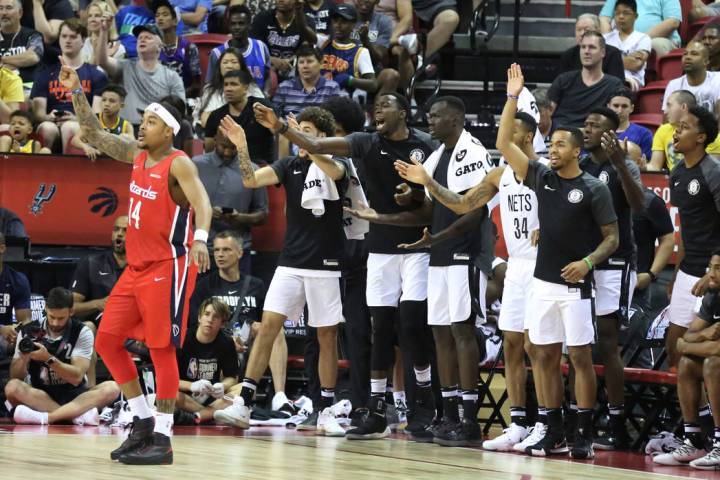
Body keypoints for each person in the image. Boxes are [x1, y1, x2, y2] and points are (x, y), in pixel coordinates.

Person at [253, 92, 439, 439]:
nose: (378, 109)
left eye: (386, 105)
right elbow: (311, 143)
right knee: (377, 327)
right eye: (376, 105)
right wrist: (280, 127)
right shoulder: (363, 142)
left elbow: (434, 201)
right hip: (376, 247)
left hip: (415, 246)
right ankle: (375, 408)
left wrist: (414, 197)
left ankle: (423, 403)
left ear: (404, 112)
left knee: (412, 324)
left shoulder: (426, 145)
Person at [61, 60, 212, 464]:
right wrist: (77, 89)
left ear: (168, 130)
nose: (141, 126)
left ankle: (162, 438)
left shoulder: (178, 162)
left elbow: (203, 202)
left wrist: (200, 238)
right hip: (137, 267)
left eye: (149, 121)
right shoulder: (136, 155)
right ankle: (142, 420)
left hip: (170, 265)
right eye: (141, 120)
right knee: (108, 341)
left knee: (161, 349)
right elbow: (91, 132)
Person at [350, 96, 492, 446]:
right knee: (440, 334)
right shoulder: (437, 154)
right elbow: (430, 207)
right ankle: (445, 414)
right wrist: (410, 196)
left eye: (437, 116)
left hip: (465, 254)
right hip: (440, 255)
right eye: (427, 114)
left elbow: (471, 210)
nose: (429, 120)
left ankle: (469, 419)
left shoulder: (471, 152)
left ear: (456, 118)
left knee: (461, 333)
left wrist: (434, 237)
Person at [505, 63, 620, 459]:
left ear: (576, 151)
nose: (551, 150)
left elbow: (612, 238)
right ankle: (552, 427)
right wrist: (511, 98)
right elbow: (505, 144)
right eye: (549, 144)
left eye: (558, 146)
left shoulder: (592, 188)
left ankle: (582, 432)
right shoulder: (541, 177)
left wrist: (587, 263)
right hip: (542, 283)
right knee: (544, 355)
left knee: (581, 358)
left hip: (576, 285)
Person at [212, 107, 349, 437]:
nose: (301, 134)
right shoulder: (290, 165)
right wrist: (243, 145)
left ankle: (325, 408)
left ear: (323, 136)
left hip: (326, 264)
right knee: (269, 326)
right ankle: (244, 401)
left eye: (308, 130)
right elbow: (250, 179)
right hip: (290, 262)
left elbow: (329, 166)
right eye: (298, 128)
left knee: (326, 336)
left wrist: (288, 132)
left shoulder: (338, 165)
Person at [579, 107, 644, 451]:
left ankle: (617, 423)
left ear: (612, 132)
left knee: (607, 338)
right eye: (585, 123)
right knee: (580, 340)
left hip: (617, 261)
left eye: (594, 125)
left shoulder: (623, 163)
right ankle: (584, 416)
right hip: (586, 261)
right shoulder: (584, 165)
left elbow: (639, 205)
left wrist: (620, 163)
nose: (586, 129)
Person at [320, 96, 372, 420]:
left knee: (357, 330)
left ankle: (362, 399)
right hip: (325, 249)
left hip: (360, 249)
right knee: (322, 331)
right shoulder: (321, 158)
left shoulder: (362, 157)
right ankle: (321, 401)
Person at [5, 287, 121, 426]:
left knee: (112, 388)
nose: (55, 323)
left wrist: (48, 358)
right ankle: (74, 416)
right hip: (40, 395)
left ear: (71, 311)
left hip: (75, 394)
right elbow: (16, 377)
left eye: (61, 318)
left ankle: (47, 418)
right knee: (12, 387)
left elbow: (76, 377)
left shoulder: (82, 332)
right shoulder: (29, 331)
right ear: (46, 309)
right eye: (52, 317)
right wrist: (24, 359)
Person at [653, 251, 720, 469]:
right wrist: (701, 336)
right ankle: (694, 440)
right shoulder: (714, 295)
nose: (711, 274)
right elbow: (691, 333)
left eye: (717, 268)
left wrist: (690, 343)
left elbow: (715, 347)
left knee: (713, 364)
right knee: (687, 364)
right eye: (710, 267)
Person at [665, 105, 720, 369]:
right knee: (673, 346)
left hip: (713, 273)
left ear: (701, 138)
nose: (676, 131)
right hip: (688, 270)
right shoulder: (676, 173)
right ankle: (684, 410)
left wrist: (713, 271)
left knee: (701, 350)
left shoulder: (713, 171)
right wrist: (676, 273)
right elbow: (686, 228)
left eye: (685, 127)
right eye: (678, 126)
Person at [193, 132, 268, 272]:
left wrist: (239, 217)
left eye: (233, 148)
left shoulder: (252, 171)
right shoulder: (195, 165)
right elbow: (179, 211)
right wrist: (205, 213)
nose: (227, 152)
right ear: (215, 141)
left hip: (238, 252)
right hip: (201, 247)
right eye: (224, 146)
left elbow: (262, 215)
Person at [31, 19, 108, 153]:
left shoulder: (96, 74)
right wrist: (49, 117)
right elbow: (38, 113)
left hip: (82, 125)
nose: (68, 40)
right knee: (47, 128)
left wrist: (76, 118)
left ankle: (70, 171)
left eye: (73, 37)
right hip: (51, 122)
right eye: (64, 36)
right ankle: (41, 170)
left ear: (83, 40)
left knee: (70, 127)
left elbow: (97, 113)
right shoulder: (45, 73)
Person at [95, 21, 186, 130]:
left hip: (155, 131)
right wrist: (104, 31)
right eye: (139, 38)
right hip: (126, 130)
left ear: (160, 46)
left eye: (148, 37)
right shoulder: (124, 66)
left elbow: (179, 109)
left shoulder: (172, 77)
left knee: (184, 126)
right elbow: (101, 60)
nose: (142, 40)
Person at [175, 297, 239, 424]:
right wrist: (192, 386)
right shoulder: (182, 340)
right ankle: (212, 416)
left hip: (212, 397)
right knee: (170, 394)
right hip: (186, 397)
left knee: (244, 389)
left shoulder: (226, 342)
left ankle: (198, 417)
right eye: (207, 314)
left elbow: (232, 377)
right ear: (199, 317)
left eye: (215, 317)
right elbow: (167, 381)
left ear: (223, 324)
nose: (209, 320)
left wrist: (222, 386)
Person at [549, 30, 624, 129]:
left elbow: (616, 119)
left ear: (603, 52)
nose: (586, 51)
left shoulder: (614, 85)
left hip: (593, 137)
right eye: (583, 47)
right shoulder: (563, 79)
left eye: (592, 47)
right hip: (560, 134)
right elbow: (547, 111)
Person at [321, 4, 397, 96]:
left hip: (343, 101)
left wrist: (350, 80)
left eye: (343, 22)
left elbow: (373, 84)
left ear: (354, 24)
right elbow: (305, 32)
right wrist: (298, 10)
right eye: (335, 21)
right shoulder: (322, 43)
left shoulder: (360, 52)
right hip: (317, 98)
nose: (338, 25)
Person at [203, 69, 276, 162]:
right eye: (226, 84)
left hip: (261, 167)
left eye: (234, 84)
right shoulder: (216, 115)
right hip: (228, 168)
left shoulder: (261, 107)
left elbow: (280, 134)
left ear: (246, 88)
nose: (228, 88)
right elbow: (209, 148)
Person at [70, 215, 128, 325]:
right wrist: (98, 304)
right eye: (116, 229)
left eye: (126, 230)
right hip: (99, 325)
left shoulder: (143, 266)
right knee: (88, 326)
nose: (119, 234)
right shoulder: (91, 263)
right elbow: (72, 306)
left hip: (132, 326)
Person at [206, 5, 270, 95]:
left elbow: (268, 77)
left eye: (241, 23)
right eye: (233, 24)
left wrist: (266, 94)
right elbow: (209, 86)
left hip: (257, 103)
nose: (237, 27)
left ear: (249, 25)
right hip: (227, 103)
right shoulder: (217, 53)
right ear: (228, 26)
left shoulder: (261, 47)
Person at [250, 0, 317, 82]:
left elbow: (312, 41)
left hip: (295, 73)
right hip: (266, 71)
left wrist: (292, 60)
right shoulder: (262, 18)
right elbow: (253, 49)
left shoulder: (306, 20)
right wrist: (271, 60)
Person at [632, 183, 674, 312]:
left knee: (635, 328)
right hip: (603, 278)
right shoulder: (603, 194)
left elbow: (667, 240)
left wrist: (651, 274)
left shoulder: (650, 201)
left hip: (638, 283)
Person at [273, 42, 347, 117]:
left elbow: (336, 119)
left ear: (321, 63)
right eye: (301, 62)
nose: (305, 66)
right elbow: (276, 117)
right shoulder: (284, 87)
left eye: (309, 61)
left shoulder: (332, 88)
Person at [197, 47, 263, 130]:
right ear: (219, 67)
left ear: (241, 66)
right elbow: (205, 121)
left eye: (234, 62)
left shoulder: (252, 88)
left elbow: (263, 116)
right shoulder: (210, 90)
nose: (229, 66)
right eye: (225, 62)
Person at [599, 0, 681, 57]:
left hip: (659, 39)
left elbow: (673, 22)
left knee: (655, 44)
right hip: (621, 39)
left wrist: (639, 40)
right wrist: (609, 41)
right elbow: (604, 18)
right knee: (587, 23)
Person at [154, 0, 201, 99]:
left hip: (184, 99)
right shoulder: (155, 50)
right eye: (157, 15)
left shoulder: (189, 48)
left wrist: (177, 97)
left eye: (165, 14)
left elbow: (196, 85)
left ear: (175, 21)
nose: (160, 18)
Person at [559, 13, 625, 81]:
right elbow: (562, 85)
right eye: (579, 30)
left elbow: (617, 85)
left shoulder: (612, 53)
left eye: (587, 30)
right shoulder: (568, 55)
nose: (582, 33)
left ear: (598, 31)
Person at [603, 0, 651, 92]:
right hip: (608, 79)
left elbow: (636, 64)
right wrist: (626, 59)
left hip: (631, 82)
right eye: (617, 13)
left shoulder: (643, 38)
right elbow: (597, 62)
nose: (621, 17)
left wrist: (607, 60)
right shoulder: (605, 39)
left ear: (635, 16)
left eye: (626, 13)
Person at [662, 41, 720, 116]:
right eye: (685, 54)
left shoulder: (717, 80)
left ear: (706, 61)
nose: (688, 57)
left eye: (694, 54)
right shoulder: (673, 85)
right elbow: (667, 119)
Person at [0, 231, 31, 359]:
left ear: (2, 248)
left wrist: (16, 331)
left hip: (4, 338)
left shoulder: (17, 280)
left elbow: (25, 321)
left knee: (27, 341)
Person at [0, 0, 43, 85]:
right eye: (0, 8)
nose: (4, 12)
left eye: (9, 8)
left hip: (27, 88)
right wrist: (19, 62)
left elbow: (33, 56)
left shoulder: (33, 35)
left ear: (20, 13)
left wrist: (2, 60)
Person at [607, 89, 653, 161]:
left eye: (624, 106)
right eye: (616, 106)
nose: (620, 111)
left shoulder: (644, 134)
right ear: (608, 106)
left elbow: (646, 163)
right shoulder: (598, 131)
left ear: (632, 108)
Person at [82, 0, 125, 65]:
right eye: (90, 16)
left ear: (108, 19)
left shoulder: (119, 48)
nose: (92, 19)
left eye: (97, 16)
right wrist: (95, 53)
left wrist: (107, 58)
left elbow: (116, 74)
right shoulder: (81, 45)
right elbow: (84, 73)